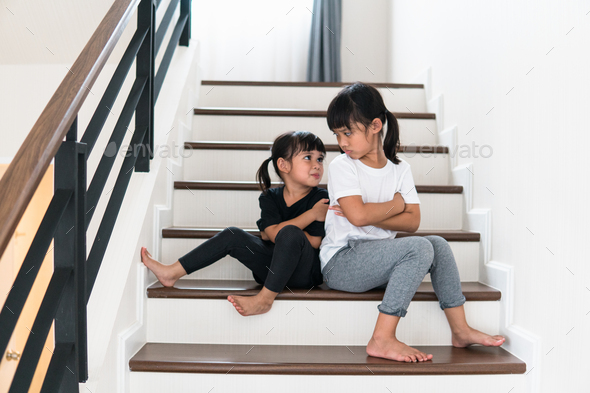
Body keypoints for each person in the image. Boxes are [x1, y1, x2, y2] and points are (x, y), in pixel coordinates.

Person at [320, 82, 505, 362]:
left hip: (378, 258)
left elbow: (413, 221)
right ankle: (381, 338)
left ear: (375, 126)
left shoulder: (400, 169)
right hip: (342, 262)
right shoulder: (342, 166)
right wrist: (395, 205)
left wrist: (372, 213)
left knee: (437, 244)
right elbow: (358, 217)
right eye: (337, 134)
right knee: (418, 248)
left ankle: (461, 330)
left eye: (348, 132)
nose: (342, 142)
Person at [141, 131, 329, 316]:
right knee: (233, 234)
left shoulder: (321, 197)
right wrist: (311, 215)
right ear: (283, 165)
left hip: (304, 274)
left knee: (289, 233)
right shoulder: (271, 197)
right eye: (308, 157)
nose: (317, 165)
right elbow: (270, 235)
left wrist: (281, 233)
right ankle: (172, 272)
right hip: (270, 269)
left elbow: (313, 242)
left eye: (320, 159)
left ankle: (264, 299)